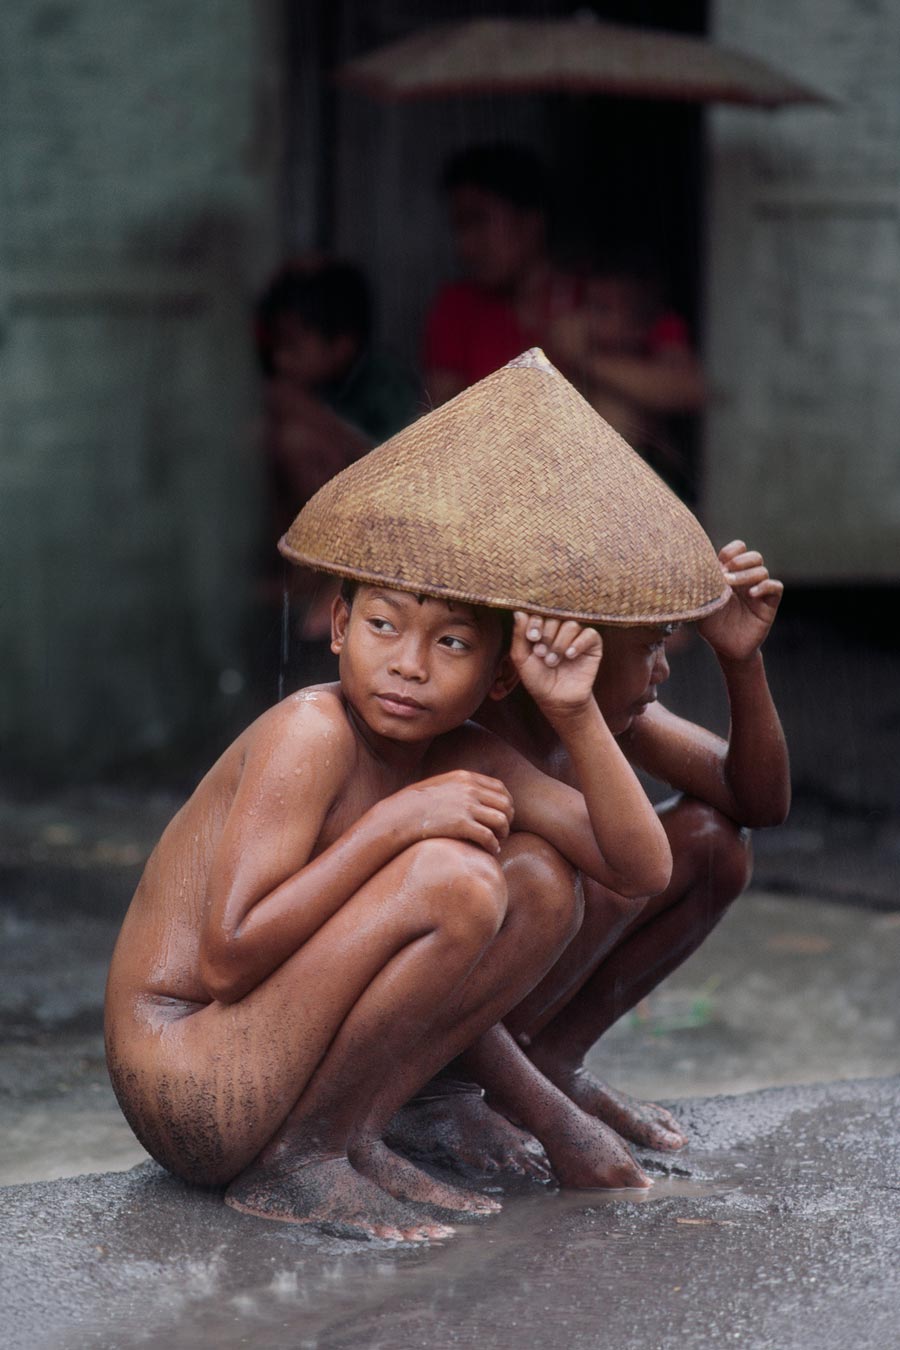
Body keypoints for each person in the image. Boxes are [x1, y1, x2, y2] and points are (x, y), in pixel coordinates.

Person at [104, 583, 675, 1243]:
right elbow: (229, 959)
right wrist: (394, 824)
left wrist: (575, 714)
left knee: (545, 884)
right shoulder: (310, 730)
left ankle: (353, 1132)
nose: (409, 664)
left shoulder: (466, 751)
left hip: (269, 1057)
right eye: (383, 625)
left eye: (452, 643)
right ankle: (302, 1158)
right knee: (456, 881)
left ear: (499, 677)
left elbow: (641, 871)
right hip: (188, 1077)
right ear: (340, 625)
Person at [388, 539, 787, 1166]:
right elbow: (436, 962)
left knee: (712, 845)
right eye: (651, 647)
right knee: (539, 874)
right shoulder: (468, 735)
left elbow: (757, 803)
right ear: (574, 647)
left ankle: (554, 1059)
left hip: (514, 1000)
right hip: (423, 1009)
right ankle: (445, 1093)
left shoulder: (617, 717)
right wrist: (554, 1121)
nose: (662, 671)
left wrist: (742, 661)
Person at [254, 258, 420, 679]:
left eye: (293, 344)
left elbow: (391, 464)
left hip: (381, 517)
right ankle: (301, 577)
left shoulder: (385, 386)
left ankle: (326, 578)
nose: (280, 356)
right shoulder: (307, 385)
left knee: (294, 439)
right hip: (322, 523)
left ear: (342, 345)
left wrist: (302, 411)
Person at [423, 143, 581, 406]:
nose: (465, 247)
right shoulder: (456, 307)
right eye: (459, 227)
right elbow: (445, 416)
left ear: (532, 220)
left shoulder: (592, 295)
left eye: (478, 221)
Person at [548, 252, 706, 500]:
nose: (588, 318)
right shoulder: (573, 349)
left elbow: (687, 389)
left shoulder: (658, 340)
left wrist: (584, 360)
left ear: (637, 325)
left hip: (648, 486)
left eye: (602, 309)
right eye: (587, 304)